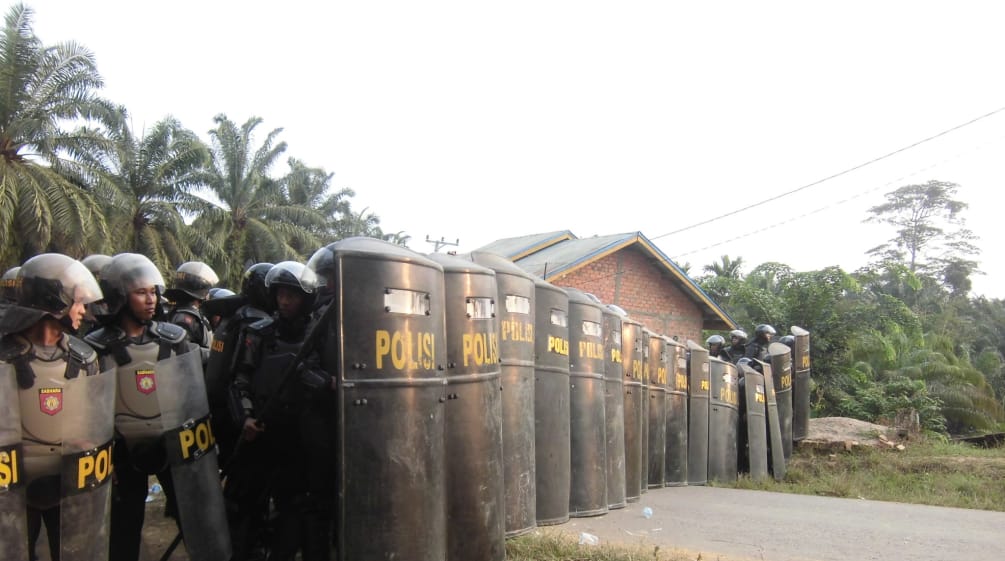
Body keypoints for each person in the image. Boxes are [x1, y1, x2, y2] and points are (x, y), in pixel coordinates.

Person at [85, 253, 230, 561]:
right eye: (141, 292)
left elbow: (190, 393)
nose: (151, 300)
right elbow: (90, 411)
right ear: (120, 296)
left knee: (194, 519)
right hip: (122, 449)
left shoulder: (174, 338)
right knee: (125, 527)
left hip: (172, 444)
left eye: (153, 291)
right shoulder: (95, 346)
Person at [0, 253, 110, 561]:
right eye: (77, 302)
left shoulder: (84, 357)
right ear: (55, 303)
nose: (83, 311)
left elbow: (92, 422)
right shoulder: (3, 357)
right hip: (12, 487)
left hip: (68, 483)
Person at [228, 260, 331, 561]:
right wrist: (245, 416)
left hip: (302, 436)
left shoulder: (320, 334)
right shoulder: (258, 333)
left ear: (306, 298)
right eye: (280, 294)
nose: (285, 301)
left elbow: (324, 377)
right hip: (262, 429)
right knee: (246, 503)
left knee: (298, 506)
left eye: (293, 295)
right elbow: (239, 379)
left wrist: (321, 381)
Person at [163, 261, 219, 352]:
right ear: (201, 288)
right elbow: (183, 353)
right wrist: (210, 355)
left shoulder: (178, 310)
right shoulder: (185, 318)